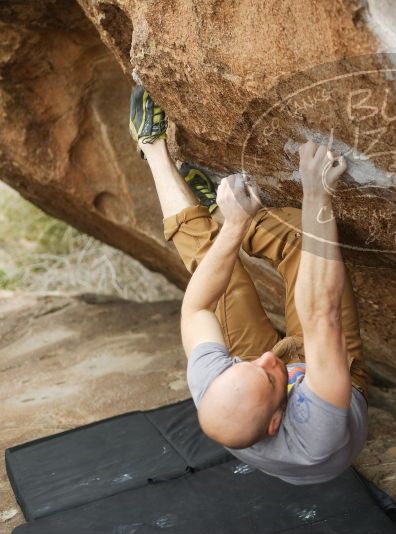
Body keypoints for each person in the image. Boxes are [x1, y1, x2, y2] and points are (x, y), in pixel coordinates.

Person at [129, 86, 369, 485]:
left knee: (213, 274)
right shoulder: (315, 431)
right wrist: (315, 192)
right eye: (271, 376)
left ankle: (158, 153)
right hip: (325, 375)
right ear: (276, 421)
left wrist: (235, 228)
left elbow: (196, 308)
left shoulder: (218, 387)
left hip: (260, 390)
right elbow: (319, 313)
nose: (269, 356)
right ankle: (227, 212)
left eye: (246, 365)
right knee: (301, 239)